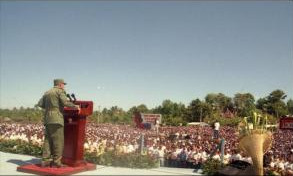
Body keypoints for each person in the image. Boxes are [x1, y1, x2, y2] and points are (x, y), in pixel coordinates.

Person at [37, 79, 80, 168]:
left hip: (48, 119)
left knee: (48, 141)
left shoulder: (47, 92)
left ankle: (45, 161)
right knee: (58, 141)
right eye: (63, 84)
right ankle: (57, 162)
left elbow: (40, 104)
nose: (64, 86)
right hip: (57, 119)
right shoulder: (60, 91)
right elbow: (65, 102)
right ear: (60, 84)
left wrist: (50, 107)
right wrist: (76, 106)